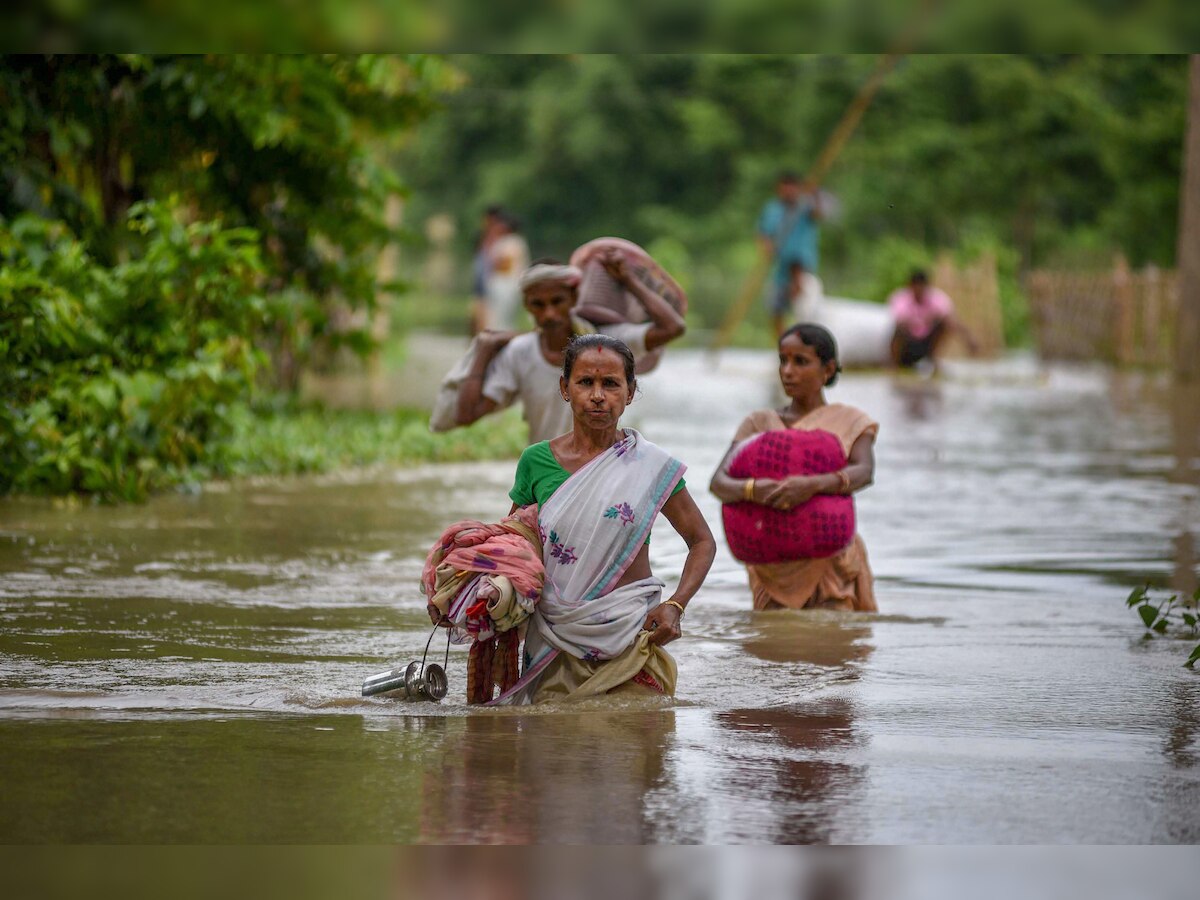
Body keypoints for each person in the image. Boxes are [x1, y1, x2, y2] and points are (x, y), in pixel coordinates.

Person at [494, 334, 716, 704]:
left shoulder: (651, 465)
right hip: (555, 639)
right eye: (585, 382)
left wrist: (676, 605)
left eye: (611, 384)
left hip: (631, 636)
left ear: (630, 392)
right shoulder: (536, 461)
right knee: (556, 750)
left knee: (635, 742)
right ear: (565, 388)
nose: (598, 395)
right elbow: (515, 544)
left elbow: (702, 541)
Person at [710, 323, 878, 612]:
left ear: (828, 369)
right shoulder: (758, 424)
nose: (788, 371)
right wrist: (752, 489)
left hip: (831, 561)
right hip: (771, 566)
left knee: (834, 645)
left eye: (800, 362)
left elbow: (864, 472)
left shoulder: (851, 421)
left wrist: (811, 485)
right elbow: (719, 483)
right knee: (773, 648)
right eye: (783, 360)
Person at [455, 254, 687, 445]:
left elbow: (673, 327)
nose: (549, 314)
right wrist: (483, 351)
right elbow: (466, 415)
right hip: (550, 473)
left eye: (557, 301)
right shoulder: (520, 352)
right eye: (539, 304)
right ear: (564, 387)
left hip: (604, 466)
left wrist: (629, 281)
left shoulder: (610, 342)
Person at [757, 171, 823, 340]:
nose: (788, 192)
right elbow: (763, 233)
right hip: (781, 269)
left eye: (792, 188)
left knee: (805, 309)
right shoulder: (773, 210)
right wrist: (767, 248)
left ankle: (805, 345)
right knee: (776, 308)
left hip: (803, 266)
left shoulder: (805, 206)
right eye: (785, 188)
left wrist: (815, 195)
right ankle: (782, 344)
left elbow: (818, 214)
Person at [887, 269, 979, 371]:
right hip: (907, 344)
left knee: (945, 323)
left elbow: (951, 320)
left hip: (927, 343)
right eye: (916, 285)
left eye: (921, 286)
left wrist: (968, 339)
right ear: (910, 286)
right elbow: (899, 321)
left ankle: (932, 358)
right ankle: (894, 363)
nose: (919, 289)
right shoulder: (901, 298)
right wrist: (922, 320)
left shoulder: (936, 298)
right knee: (899, 328)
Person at [482, 211, 530, 332]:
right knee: (497, 318)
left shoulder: (512, 241)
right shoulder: (508, 241)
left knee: (503, 318)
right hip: (503, 284)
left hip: (506, 284)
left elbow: (503, 263)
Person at [469, 205, 504, 336]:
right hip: (480, 282)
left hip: (493, 284)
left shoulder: (500, 239)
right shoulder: (482, 237)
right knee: (476, 315)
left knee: (488, 317)